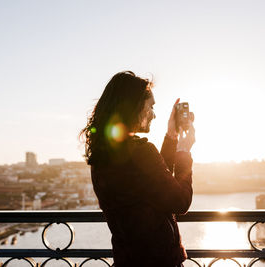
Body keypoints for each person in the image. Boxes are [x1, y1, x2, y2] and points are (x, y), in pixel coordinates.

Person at [80, 71, 195, 267]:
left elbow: (155, 182)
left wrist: (171, 137)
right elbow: (179, 201)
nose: (154, 114)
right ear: (134, 107)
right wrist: (184, 152)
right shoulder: (141, 152)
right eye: (150, 107)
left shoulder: (103, 155)